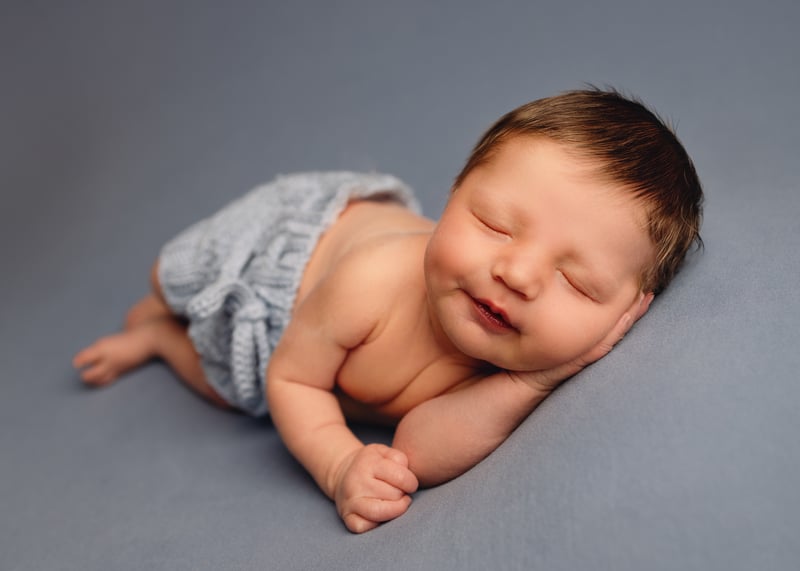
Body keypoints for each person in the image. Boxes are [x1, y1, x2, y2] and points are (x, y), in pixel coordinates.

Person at [73, 88, 703, 533]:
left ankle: (160, 342)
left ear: (627, 314)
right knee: (186, 296)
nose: (516, 274)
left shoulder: (515, 354)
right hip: (286, 266)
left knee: (219, 383)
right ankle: (160, 317)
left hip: (314, 351)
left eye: (577, 282)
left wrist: (532, 381)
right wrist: (338, 462)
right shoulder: (370, 284)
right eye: (493, 223)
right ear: (454, 195)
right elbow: (290, 378)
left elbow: (418, 453)